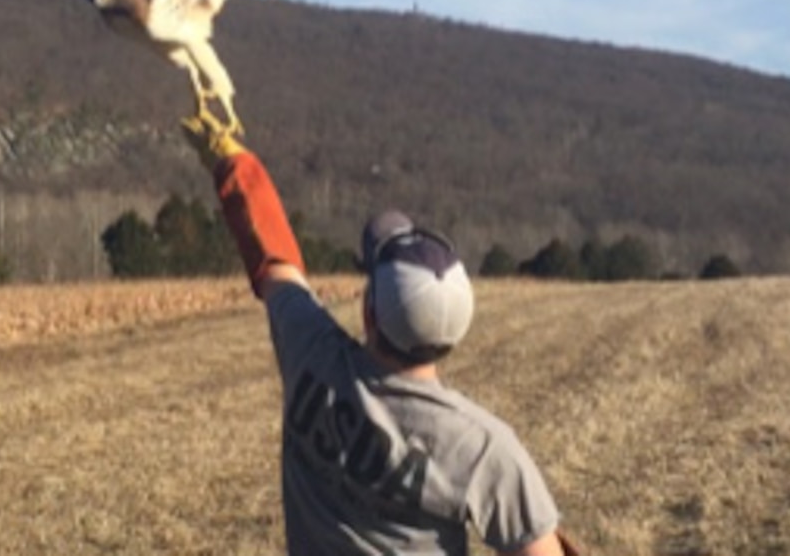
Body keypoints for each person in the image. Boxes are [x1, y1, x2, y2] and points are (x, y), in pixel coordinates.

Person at [180, 116, 579, 555]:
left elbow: (273, 258)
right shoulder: (483, 449)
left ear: (369, 313)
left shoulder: (311, 353)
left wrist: (229, 157)